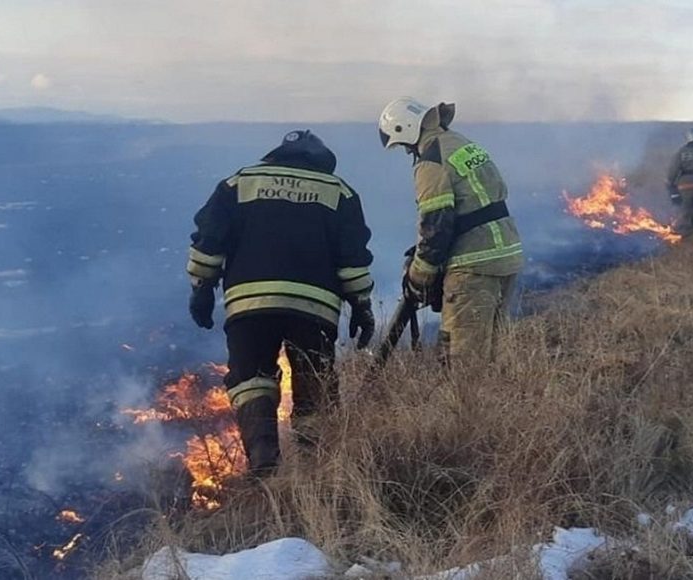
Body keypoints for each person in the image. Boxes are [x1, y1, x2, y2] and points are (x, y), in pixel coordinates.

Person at [186, 129, 376, 476]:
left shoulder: (239, 183)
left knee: (251, 380)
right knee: (314, 384)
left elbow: (208, 242)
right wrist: (362, 306)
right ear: (322, 162)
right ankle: (314, 467)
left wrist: (201, 288)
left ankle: (264, 462)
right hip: (314, 309)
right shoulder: (339, 192)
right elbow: (352, 261)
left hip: (249, 305)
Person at [377, 97, 523, 365]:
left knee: (462, 360)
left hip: (473, 265)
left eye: (405, 146)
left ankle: (466, 407)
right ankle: (498, 404)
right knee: (491, 353)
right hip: (505, 256)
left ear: (405, 129)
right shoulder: (462, 143)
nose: (409, 152)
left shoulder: (431, 160)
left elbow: (436, 225)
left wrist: (418, 276)